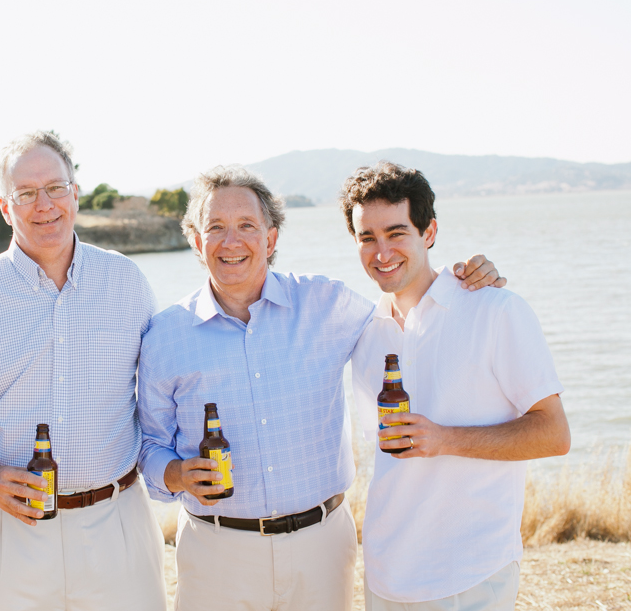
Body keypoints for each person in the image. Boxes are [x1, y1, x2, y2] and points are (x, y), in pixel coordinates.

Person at [137, 165, 503, 611]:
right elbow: (150, 444)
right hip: (217, 552)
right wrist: (175, 474)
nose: (232, 242)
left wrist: (465, 279)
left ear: (271, 240)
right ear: (197, 241)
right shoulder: (164, 335)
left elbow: (404, 303)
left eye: (247, 226)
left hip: (322, 545)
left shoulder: (326, 304)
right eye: (216, 228)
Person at [0, 131, 166, 611]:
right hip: (9, 531)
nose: (45, 204)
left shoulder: (126, 282)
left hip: (117, 526)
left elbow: (160, 398)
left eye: (56, 188)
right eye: (26, 193)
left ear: (76, 192)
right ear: (6, 207)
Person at [340, 161, 570, 610]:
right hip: (386, 574)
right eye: (367, 237)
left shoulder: (495, 310)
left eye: (396, 232)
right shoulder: (365, 332)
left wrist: (444, 439)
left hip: (470, 572)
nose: (382, 252)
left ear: (429, 233)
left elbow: (554, 433)